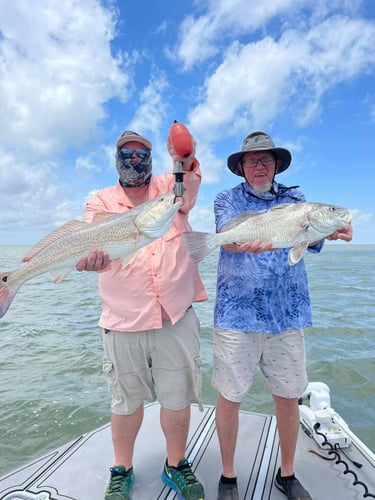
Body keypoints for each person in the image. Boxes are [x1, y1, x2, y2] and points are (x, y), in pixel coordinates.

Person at [213, 131, 353, 500]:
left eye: (266, 159)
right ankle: (228, 477)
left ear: (276, 165)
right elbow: (226, 236)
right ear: (241, 167)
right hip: (236, 316)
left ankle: (286, 474)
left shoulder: (297, 200)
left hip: (286, 316)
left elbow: (310, 239)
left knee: (288, 397)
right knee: (229, 397)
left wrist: (337, 228)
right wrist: (238, 241)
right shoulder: (226, 198)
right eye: (251, 160)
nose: (259, 165)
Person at [76, 128, 208, 500]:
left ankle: (176, 463)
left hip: (175, 316)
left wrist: (183, 159)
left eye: (142, 153)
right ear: (117, 158)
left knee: (178, 397)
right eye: (128, 153)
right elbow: (93, 249)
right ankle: (122, 469)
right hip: (123, 319)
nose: (135, 159)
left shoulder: (171, 189)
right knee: (125, 401)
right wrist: (91, 262)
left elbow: (186, 184)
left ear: (152, 158)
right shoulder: (99, 201)